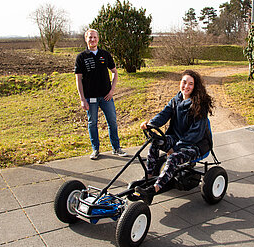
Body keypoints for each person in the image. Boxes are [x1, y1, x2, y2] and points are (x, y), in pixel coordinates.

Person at [135, 70, 214, 202]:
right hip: (177, 138)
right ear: (180, 83)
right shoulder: (176, 100)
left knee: (173, 158)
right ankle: (148, 178)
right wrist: (150, 124)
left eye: (190, 84)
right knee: (155, 141)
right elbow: (163, 115)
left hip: (197, 144)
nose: (186, 86)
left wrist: (175, 148)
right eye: (184, 82)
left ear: (195, 87)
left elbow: (195, 134)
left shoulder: (199, 106)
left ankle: (153, 190)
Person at [75, 29, 127, 160]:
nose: (92, 40)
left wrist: (111, 91)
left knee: (112, 122)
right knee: (92, 123)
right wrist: (82, 99)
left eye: (94, 37)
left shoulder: (105, 54)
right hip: (90, 97)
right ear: (86, 39)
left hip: (106, 97)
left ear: (98, 39)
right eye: (90, 37)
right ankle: (95, 150)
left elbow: (114, 72)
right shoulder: (81, 57)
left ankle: (116, 148)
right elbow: (78, 79)